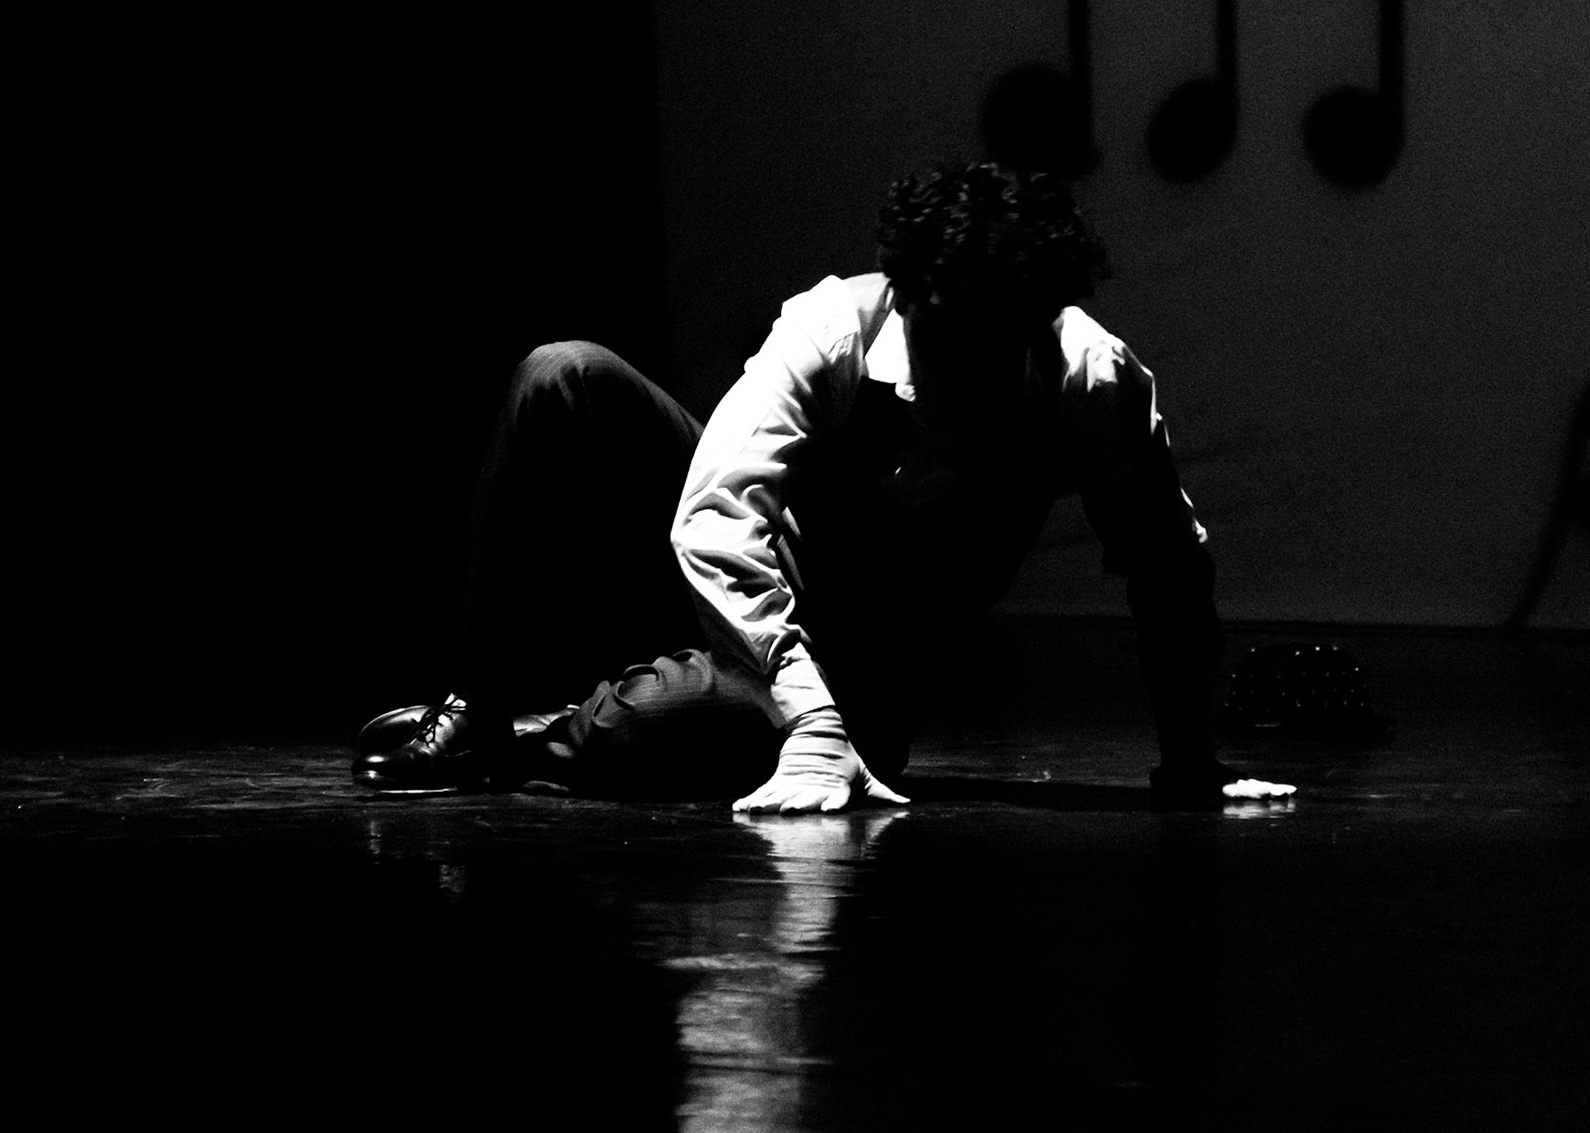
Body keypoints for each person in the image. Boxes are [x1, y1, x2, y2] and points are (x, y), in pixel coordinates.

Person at [354, 161, 1294, 811]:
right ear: (907, 297)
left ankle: (543, 738)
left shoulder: (1091, 381)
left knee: (663, 725)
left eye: (991, 351)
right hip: (761, 585)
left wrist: (1191, 762)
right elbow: (717, 516)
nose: (962, 378)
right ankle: (477, 712)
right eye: (944, 343)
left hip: (869, 669)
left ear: (1036, 322)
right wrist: (805, 714)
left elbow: (1168, 569)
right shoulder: (834, 328)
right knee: (564, 374)